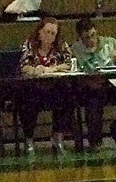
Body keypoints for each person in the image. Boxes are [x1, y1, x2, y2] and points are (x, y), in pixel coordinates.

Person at [71, 17, 116, 150]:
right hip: (92, 87)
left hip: (114, 85)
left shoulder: (110, 43)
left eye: (93, 35)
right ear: (80, 38)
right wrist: (87, 81)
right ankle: (95, 140)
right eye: (87, 37)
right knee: (92, 100)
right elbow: (74, 73)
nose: (91, 40)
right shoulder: (76, 49)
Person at [18, 17, 75, 154]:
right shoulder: (29, 45)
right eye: (47, 32)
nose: (49, 36)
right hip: (34, 88)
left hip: (55, 86)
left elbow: (69, 63)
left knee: (68, 96)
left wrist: (52, 69)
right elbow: (21, 65)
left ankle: (58, 136)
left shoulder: (61, 46)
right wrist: (34, 70)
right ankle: (29, 138)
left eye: (53, 33)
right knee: (27, 100)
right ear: (39, 32)